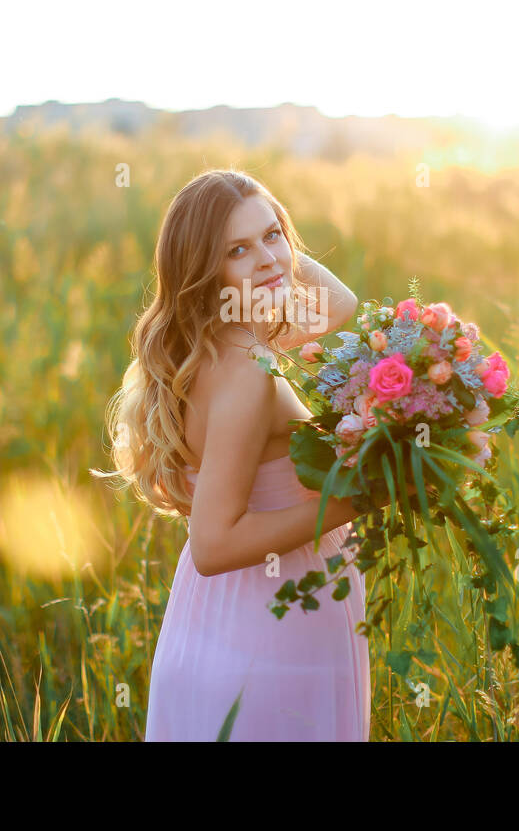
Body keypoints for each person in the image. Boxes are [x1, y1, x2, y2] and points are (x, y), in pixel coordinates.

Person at [92, 168, 374, 741]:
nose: (269, 259)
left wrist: (252, 218)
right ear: (205, 269)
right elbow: (214, 545)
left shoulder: (225, 336)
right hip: (267, 638)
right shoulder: (247, 366)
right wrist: (354, 503)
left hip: (234, 626)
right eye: (237, 250)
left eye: (274, 234)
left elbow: (339, 303)